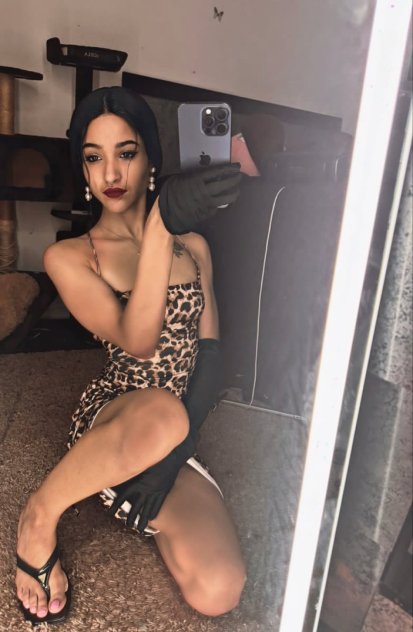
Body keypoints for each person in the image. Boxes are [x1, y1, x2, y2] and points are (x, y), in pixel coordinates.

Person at [14, 86, 246, 626]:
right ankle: (39, 516)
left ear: (151, 160)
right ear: (83, 170)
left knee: (220, 590)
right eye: (94, 157)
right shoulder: (72, 257)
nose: (111, 173)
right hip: (120, 415)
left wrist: (172, 460)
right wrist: (161, 224)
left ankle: (141, 494)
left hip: (178, 430)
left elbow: (212, 356)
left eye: (126, 152)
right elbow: (138, 341)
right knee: (161, 413)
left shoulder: (196, 246)